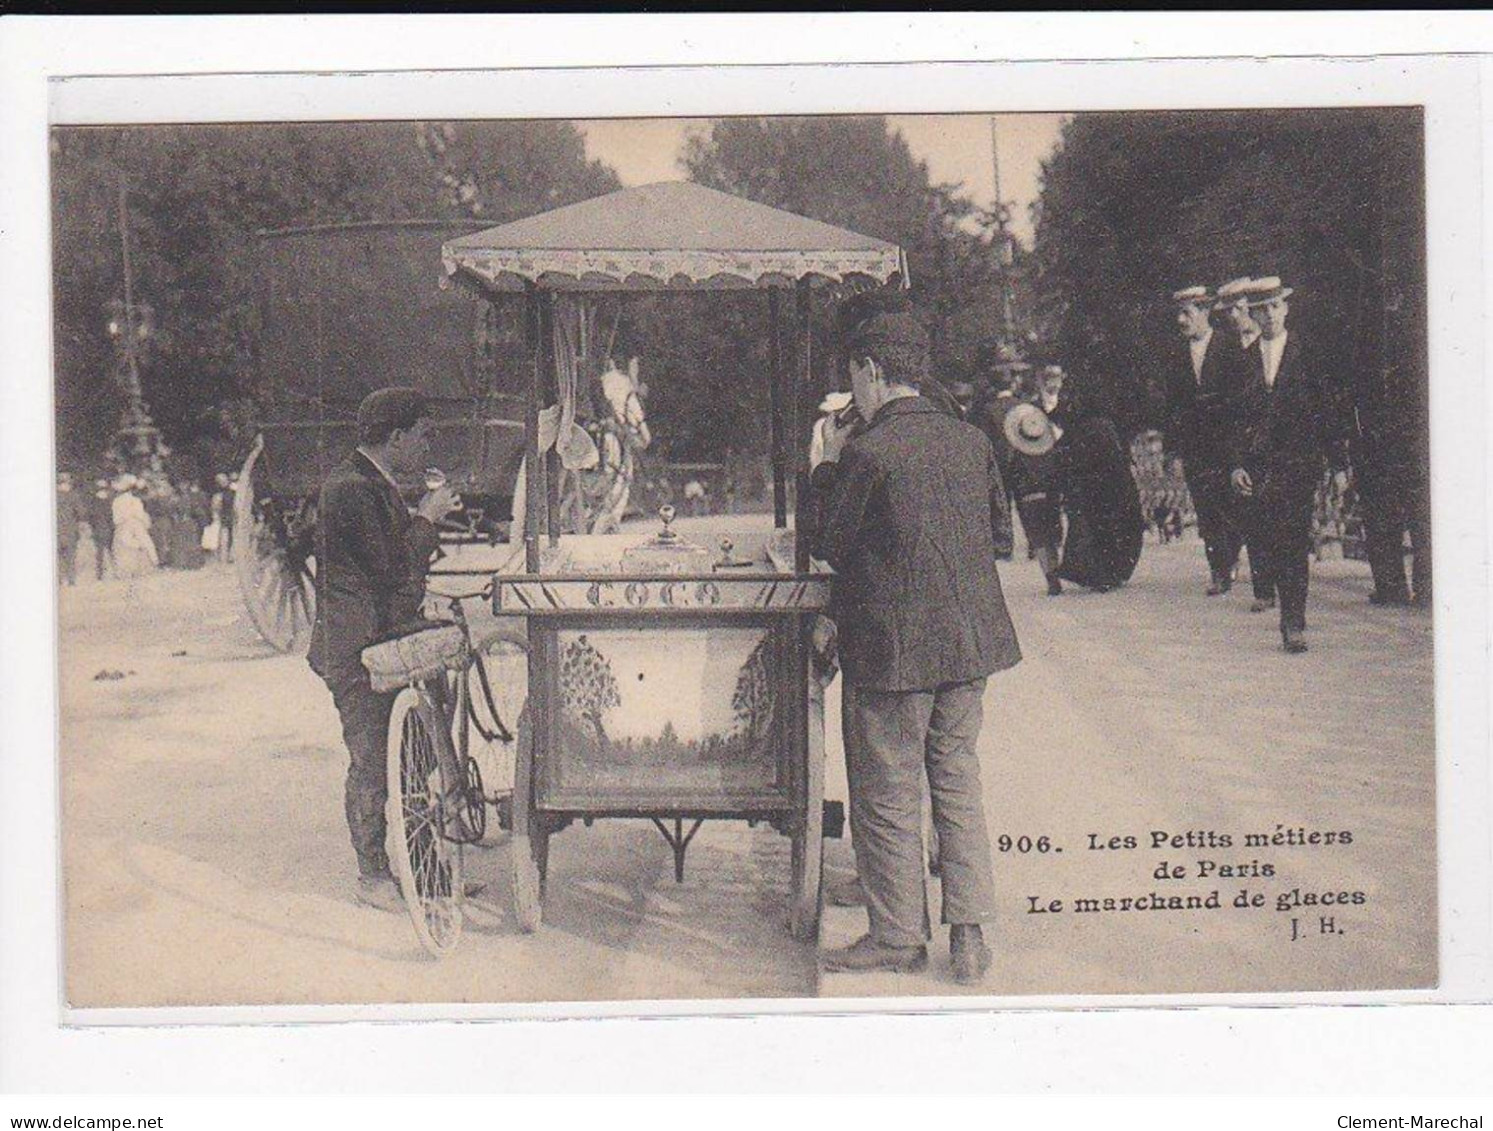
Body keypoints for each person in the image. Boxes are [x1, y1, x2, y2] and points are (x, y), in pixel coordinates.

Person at [809, 307, 1021, 985]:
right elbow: (997, 535)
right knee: (956, 777)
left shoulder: (867, 453)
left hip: (894, 650)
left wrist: (823, 468)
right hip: (968, 646)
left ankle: (898, 935)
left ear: (871, 372)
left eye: (855, 378)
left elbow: (829, 545)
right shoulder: (970, 440)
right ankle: (968, 934)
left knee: (889, 788)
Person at [308, 387, 461, 911]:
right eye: (422, 436)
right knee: (373, 761)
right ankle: (372, 876)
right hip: (358, 649)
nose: (427, 447)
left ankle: (427, 877)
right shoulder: (352, 488)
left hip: (380, 639)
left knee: (413, 759)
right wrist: (427, 519)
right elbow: (394, 574)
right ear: (395, 437)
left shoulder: (368, 480)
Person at [1227, 278, 1350, 653]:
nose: (1268, 315)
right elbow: (1235, 420)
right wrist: (1236, 465)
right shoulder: (1245, 362)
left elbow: (1326, 411)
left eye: (1274, 307)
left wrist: (1339, 463)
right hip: (1260, 465)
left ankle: (1293, 622)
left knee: (1292, 538)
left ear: (1286, 308)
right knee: (1269, 539)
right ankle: (1288, 610)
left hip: (1299, 461)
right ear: (1253, 313)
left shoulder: (1306, 354)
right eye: (1260, 309)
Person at [1164, 284, 1245, 594]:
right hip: (1194, 446)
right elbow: (1172, 407)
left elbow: (1239, 400)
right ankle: (1219, 570)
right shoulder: (1176, 355)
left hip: (1227, 443)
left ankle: (1231, 555)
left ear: (1206, 312)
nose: (1182, 320)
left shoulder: (1229, 347)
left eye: (1188, 313)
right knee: (1206, 507)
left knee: (1231, 505)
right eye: (1179, 314)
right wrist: (1173, 452)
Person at [1213, 277, 1278, 612]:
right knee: (1254, 516)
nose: (1236, 315)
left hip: (1282, 444)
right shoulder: (1229, 350)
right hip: (1250, 444)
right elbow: (1231, 408)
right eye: (1231, 310)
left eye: (1241, 308)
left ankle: (1284, 584)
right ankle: (1264, 588)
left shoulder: (1279, 344)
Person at [1050, 375, 1145, 592]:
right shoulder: (1104, 425)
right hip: (1110, 484)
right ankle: (1109, 571)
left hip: (1092, 485)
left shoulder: (1081, 429)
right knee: (1111, 525)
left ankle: (1099, 572)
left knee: (1093, 526)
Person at [111, 475, 159, 577]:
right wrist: (143, 524)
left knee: (124, 544)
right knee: (143, 542)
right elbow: (140, 514)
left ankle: (125, 570)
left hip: (124, 525)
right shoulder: (136, 501)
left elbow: (116, 518)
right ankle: (144, 567)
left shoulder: (117, 501)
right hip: (136, 524)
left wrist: (120, 523)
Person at [56, 473, 82, 587]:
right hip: (70, 528)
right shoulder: (73, 495)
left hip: (56, 529)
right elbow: (81, 512)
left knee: (58, 555)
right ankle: (71, 579)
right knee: (70, 555)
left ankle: (61, 579)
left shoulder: (53, 495)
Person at [87, 478, 115, 580]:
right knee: (110, 550)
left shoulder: (93, 501)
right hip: (107, 528)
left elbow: (90, 516)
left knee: (99, 552)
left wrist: (92, 527)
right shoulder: (109, 500)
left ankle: (100, 573)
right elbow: (111, 516)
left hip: (97, 528)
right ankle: (113, 571)